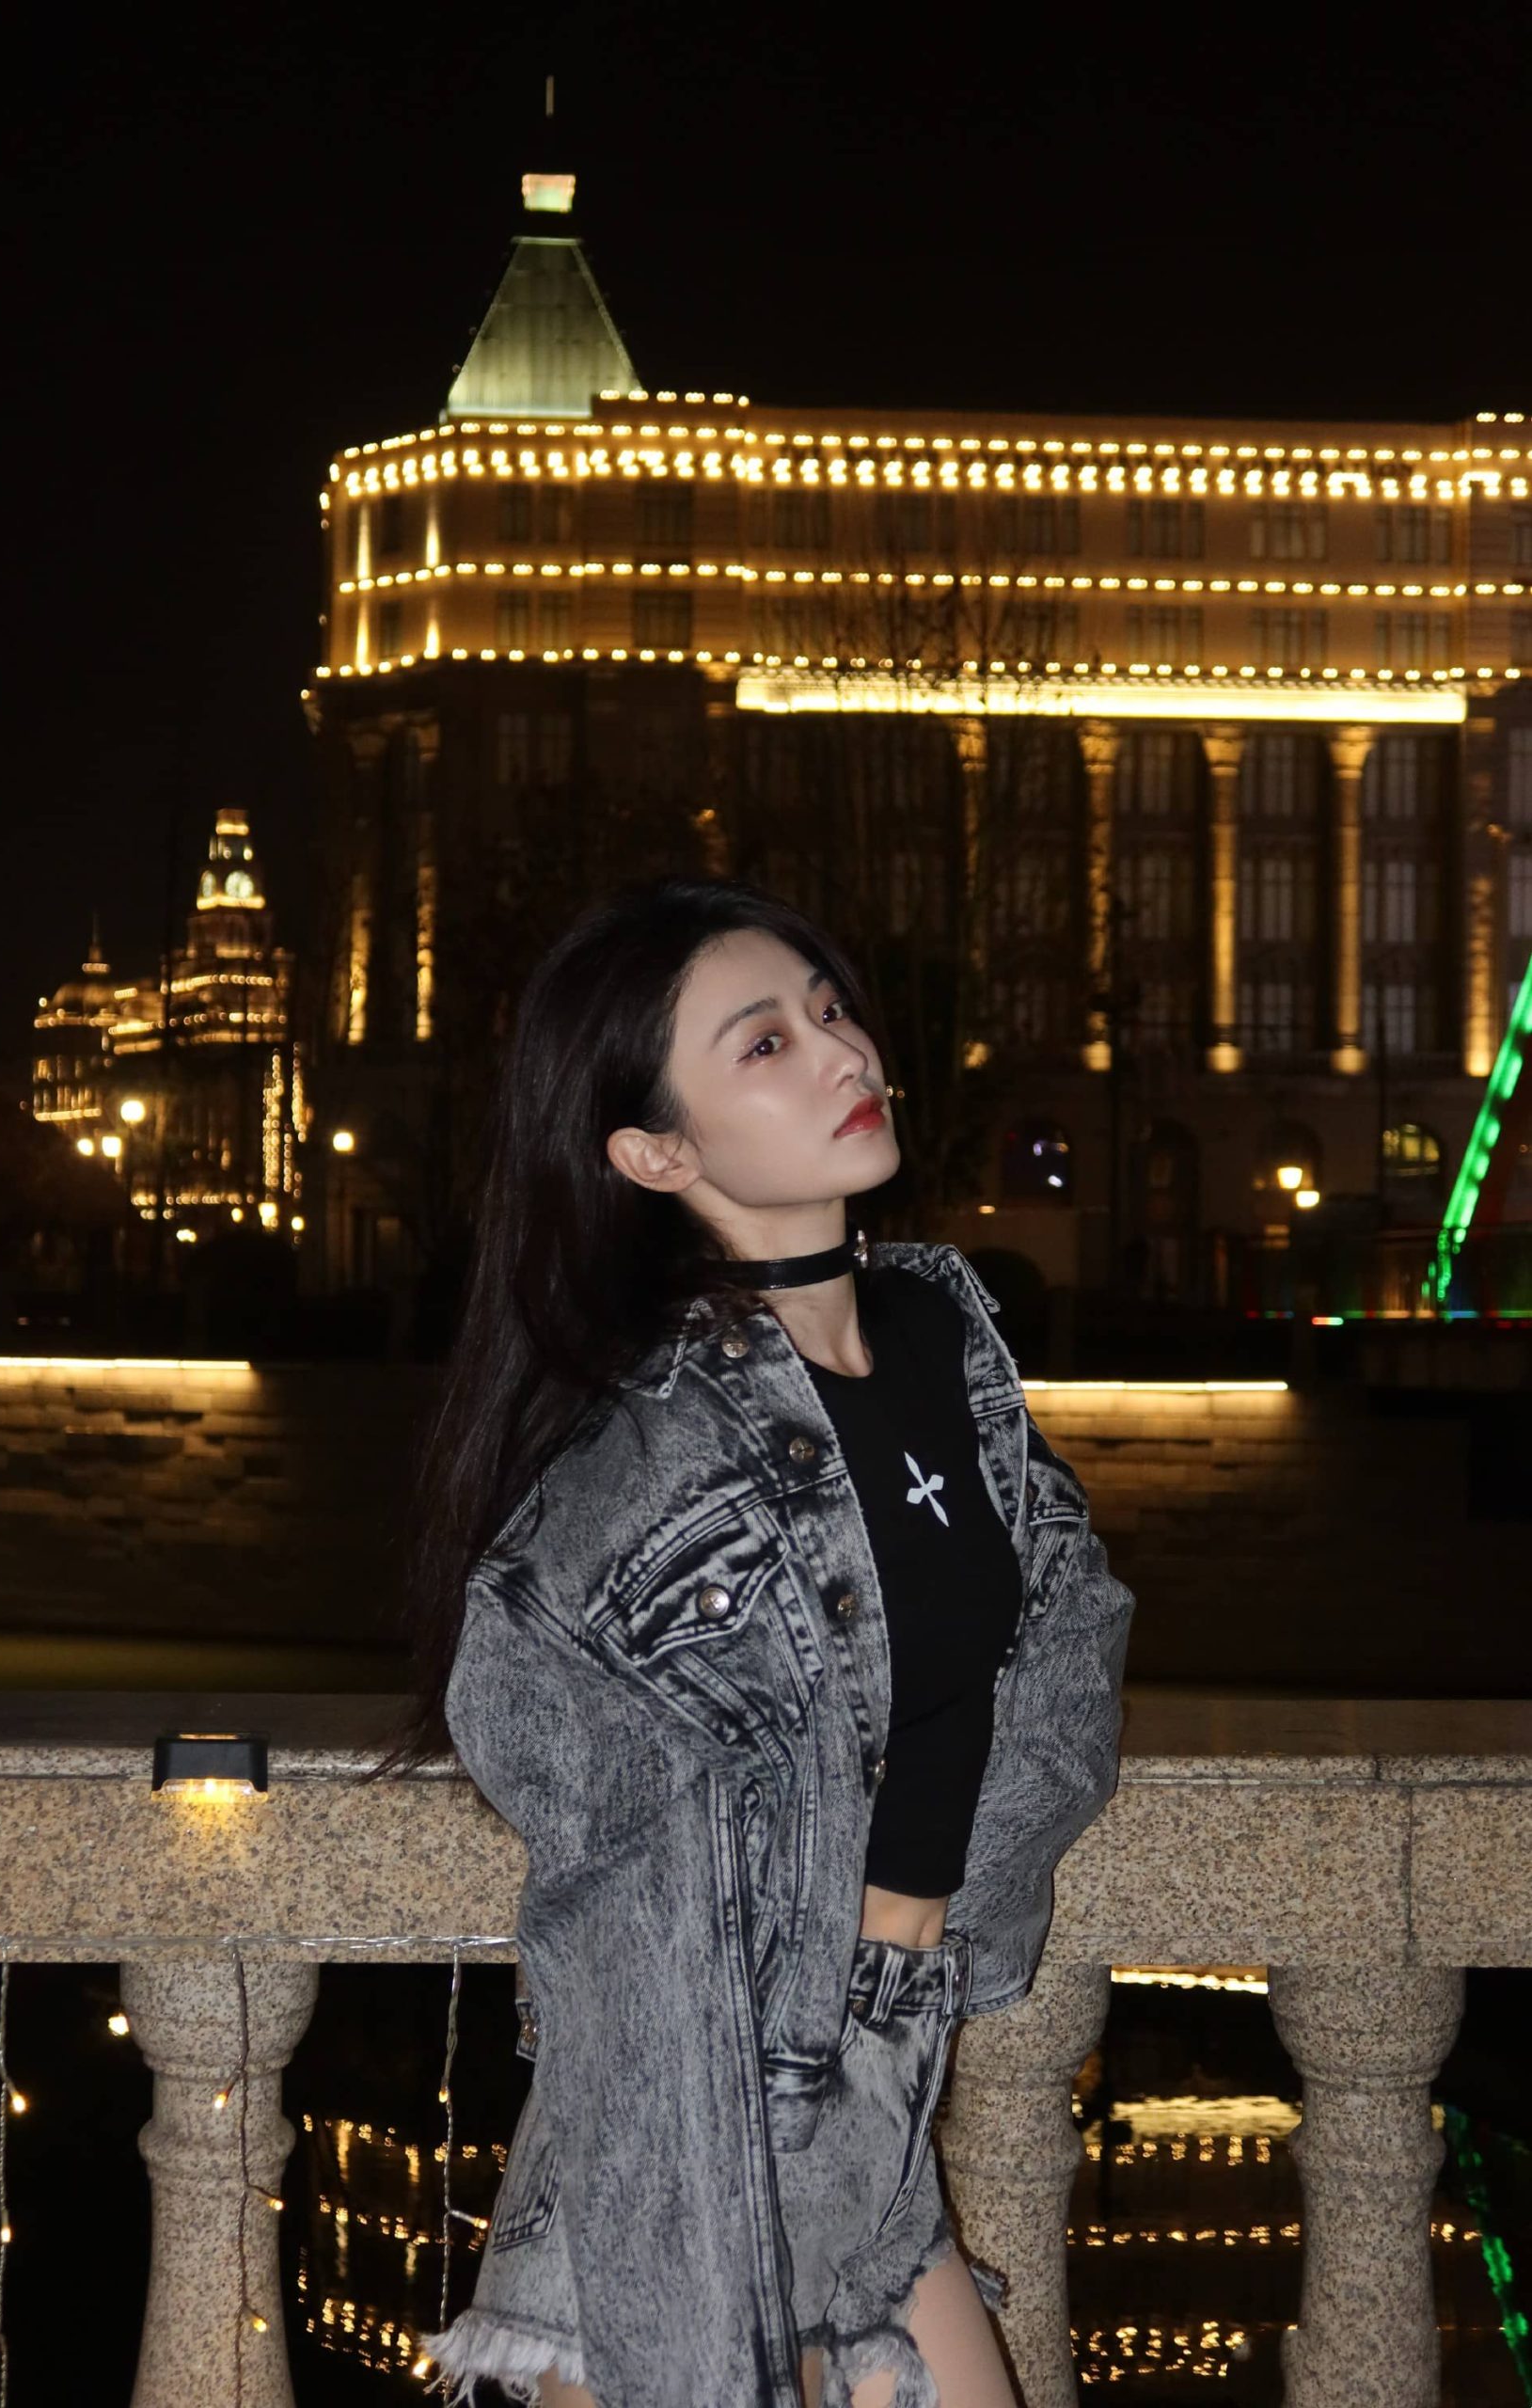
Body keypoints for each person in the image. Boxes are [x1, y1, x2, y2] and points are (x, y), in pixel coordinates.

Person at [387, 875, 1137, 2408]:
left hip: (882, 2094)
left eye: (831, 1008)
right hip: (698, 2138)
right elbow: (551, 1751)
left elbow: (1074, 1632)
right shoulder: (648, 1461)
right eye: (767, 1043)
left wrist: (943, 1923)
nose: (846, 1051)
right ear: (657, 1154)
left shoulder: (943, 1338)